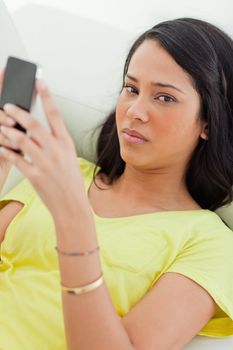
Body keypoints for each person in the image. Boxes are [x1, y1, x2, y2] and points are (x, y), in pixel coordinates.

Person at [0, 16, 233, 350]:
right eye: (131, 88)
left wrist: (73, 219)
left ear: (208, 122)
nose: (135, 111)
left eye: (164, 97)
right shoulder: (65, 174)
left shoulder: (209, 243)